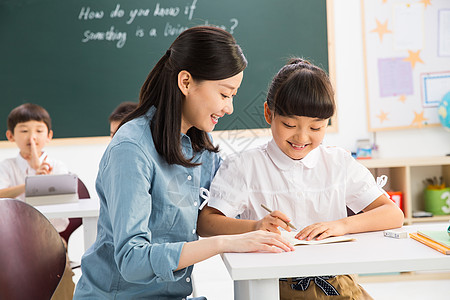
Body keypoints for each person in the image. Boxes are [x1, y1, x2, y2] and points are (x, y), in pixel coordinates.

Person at [73, 26, 294, 300]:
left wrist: (256, 226)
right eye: (225, 94)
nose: (229, 108)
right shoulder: (131, 149)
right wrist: (224, 242)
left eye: (232, 97)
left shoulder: (200, 145)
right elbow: (132, 259)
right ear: (186, 82)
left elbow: (209, 216)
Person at [197, 58, 404, 299]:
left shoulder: (338, 163)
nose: (301, 137)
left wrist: (340, 225)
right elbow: (206, 223)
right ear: (268, 113)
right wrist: (255, 227)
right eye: (289, 124)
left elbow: (392, 214)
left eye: (316, 128)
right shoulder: (244, 166)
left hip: (337, 284)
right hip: (271, 286)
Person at [0, 103, 75, 300]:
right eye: (24, 130)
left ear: (49, 136)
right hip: (11, 243)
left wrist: (45, 180)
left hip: (50, 240)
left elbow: (66, 204)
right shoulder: (7, 166)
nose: (31, 137)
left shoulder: (57, 166)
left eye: (39, 131)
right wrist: (31, 183)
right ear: (10, 136)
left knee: (63, 274)